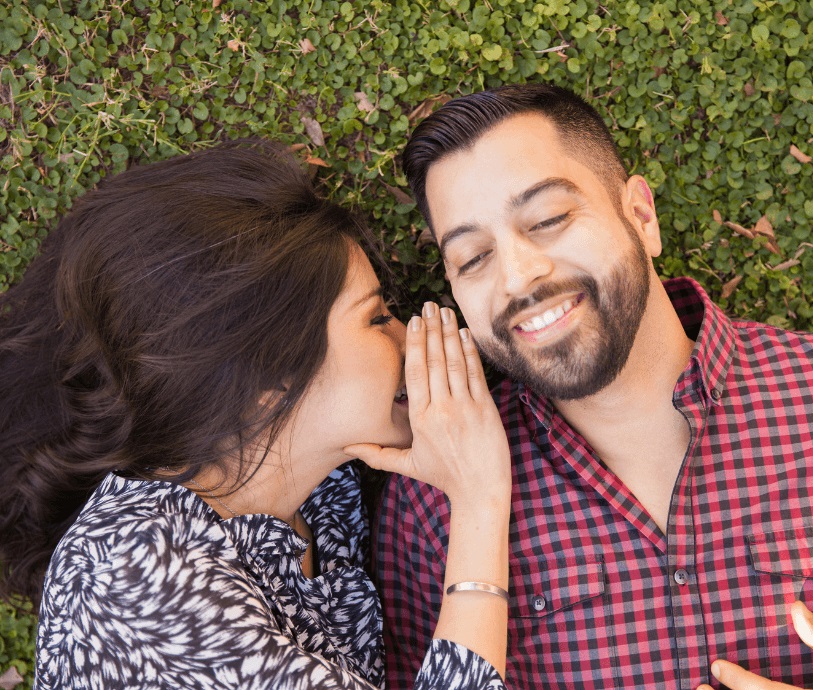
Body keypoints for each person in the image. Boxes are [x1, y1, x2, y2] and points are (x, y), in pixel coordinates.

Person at [375, 84, 813, 690]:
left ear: (641, 217)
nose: (518, 277)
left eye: (547, 220)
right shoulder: (435, 502)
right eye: (472, 258)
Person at [0, 140, 512, 689]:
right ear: (267, 377)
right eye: (375, 318)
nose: (411, 338)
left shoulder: (322, 492)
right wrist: (479, 499)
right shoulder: (139, 579)